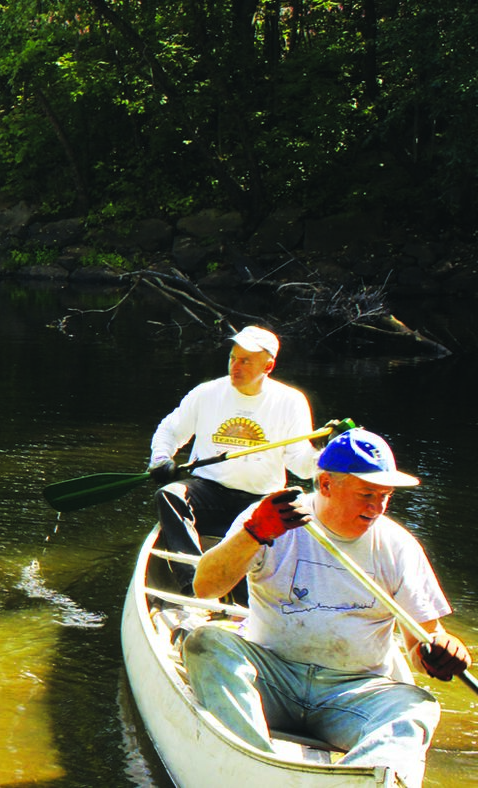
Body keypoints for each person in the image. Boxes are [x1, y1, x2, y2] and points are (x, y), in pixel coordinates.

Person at [184, 428, 470, 786]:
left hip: (351, 693)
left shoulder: (399, 547)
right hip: (270, 678)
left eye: (385, 496)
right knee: (205, 642)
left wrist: (443, 651)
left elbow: (421, 642)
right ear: (326, 484)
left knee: (418, 706)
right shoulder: (275, 517)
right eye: (366, 494)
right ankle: (256, 768)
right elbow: (205, 587)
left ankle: (359, 779)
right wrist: (253, 534)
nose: (377, 507)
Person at [146, 325, 330, 594]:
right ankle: (193, 582)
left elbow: (301, 465)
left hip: (260, 501)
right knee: (170, 495)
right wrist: (161, 458)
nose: (235, 366)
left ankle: (261, 594)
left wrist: (325, 455)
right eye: (233, 358)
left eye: (246, 361)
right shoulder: (207, 393)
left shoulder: (290, 401)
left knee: (300, 517)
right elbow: (170, 430)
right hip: (209, 492)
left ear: (268, 367)